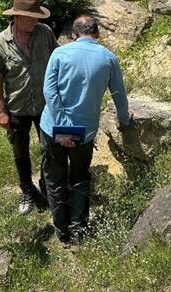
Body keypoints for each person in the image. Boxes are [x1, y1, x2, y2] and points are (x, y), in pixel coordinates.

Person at [40, 15, 131, 244]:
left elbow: (49, 92)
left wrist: (63, 127)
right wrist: (125, 121)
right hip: (85, 131)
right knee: (80, 177)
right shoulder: (109, 58)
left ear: (74, 34)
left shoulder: (59, 54)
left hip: (53, 128)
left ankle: (62, 231)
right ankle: (79, 229)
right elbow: (119, 95)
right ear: (97, 33)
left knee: (55, 179)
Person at [0, 0, 59, 215]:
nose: (35, 21)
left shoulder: (45, 33)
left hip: (46, 105)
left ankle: (47, 185)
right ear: (16, 17)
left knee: (49, 147)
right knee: (20, 152)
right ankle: (26, 189)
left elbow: (57, 61)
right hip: (17, 107)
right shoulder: (1, 42)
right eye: (30, 17)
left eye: (37, 17)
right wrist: (1, 110)